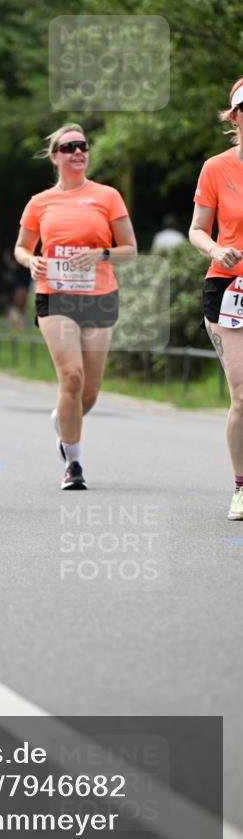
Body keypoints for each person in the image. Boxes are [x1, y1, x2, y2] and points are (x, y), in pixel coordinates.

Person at [14, 123, 137, 490]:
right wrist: (29, 262)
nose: (78, 152)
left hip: (99, 296)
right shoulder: (40, 202)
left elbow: (130, 250)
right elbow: (21, 247)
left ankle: (63, 422)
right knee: (71, 376)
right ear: (55, 157)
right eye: (69, 147)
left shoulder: (107, 196)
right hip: (56, 295)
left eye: (83, 146)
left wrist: (100, 253)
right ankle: (74, 463)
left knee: (89, 393)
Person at [188, 77, 243, 521]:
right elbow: (196, 229)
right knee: (242, 392)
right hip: (229, 289)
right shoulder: (216, 168)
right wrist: (215, 249)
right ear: (235, 116)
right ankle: (242, 488)